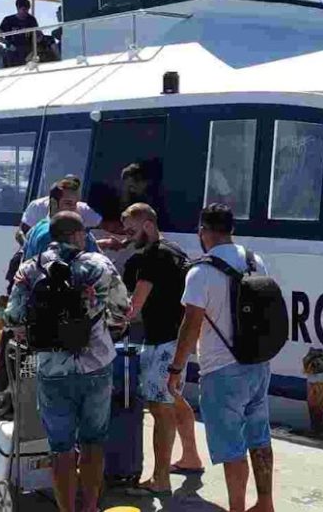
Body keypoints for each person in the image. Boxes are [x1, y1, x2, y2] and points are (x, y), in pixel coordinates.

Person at [5, 211, 129, 512]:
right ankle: (89, 508)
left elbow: (11, 316)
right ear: (77, 234)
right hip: (96, 366)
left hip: (51, 369)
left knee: (60, 449)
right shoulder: (99, 264)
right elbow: (122, 309)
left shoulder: (30, 269)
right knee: (93, 442)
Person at [167, 204, 274, 512]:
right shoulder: (255, 261)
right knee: (259, 436)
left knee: (231, 446)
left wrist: (176, 368)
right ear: (231, 230)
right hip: (257, 364)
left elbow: (191, 325)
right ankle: (265, 504)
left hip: (221, 370)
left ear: (203, 231)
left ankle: (237, 508)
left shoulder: (201, 272)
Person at [120, 203, 204, 493]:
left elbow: (134, 307)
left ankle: (160, 479)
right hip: (177, 339)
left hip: (161, 341)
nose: (129, 238)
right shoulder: (175, 250)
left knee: (159, 408)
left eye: (132, 231)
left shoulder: (153, 256)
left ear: (147, 225)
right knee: (173, 397)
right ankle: (191, 457)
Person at [23, 178, 100, 262]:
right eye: (68, 203)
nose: (73, 208)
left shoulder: (34, 230)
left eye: (75, 204)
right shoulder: (49, 233)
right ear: (53, 203)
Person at [0, 0, 39, 67]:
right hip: (12, 52)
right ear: (17, 8)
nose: (25, 12)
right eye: (23, 9)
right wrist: (8, 44)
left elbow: (37, 35)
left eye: (27, 9)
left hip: (27, 51)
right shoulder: (8, 20)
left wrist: (33, 51)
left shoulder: (31, 20)